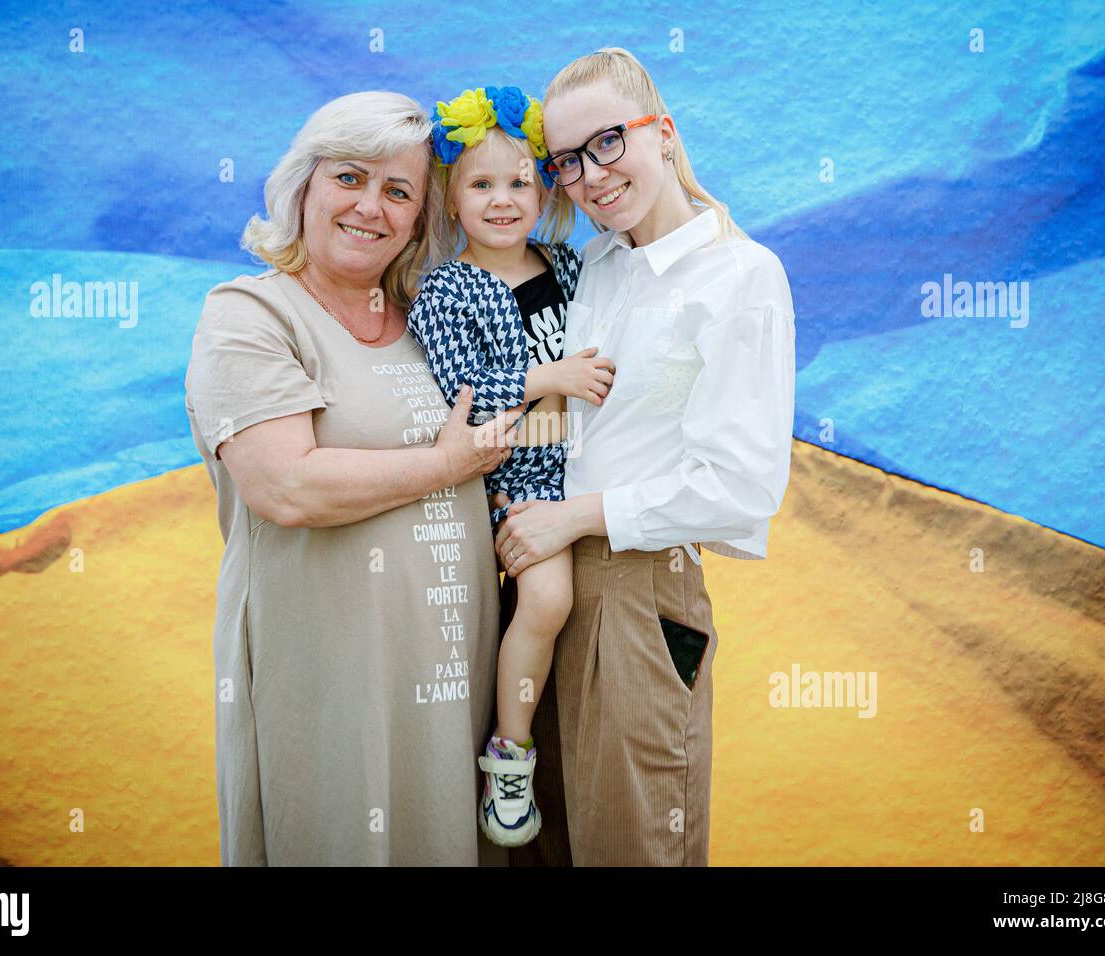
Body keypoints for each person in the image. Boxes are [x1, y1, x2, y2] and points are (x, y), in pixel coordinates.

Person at [184, 90, 524, 866]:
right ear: (303, 185)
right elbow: (287, 487)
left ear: (418, 218)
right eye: (349, 178)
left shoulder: (429, 319)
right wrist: (447, 465)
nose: (371, 206)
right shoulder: (252, 315)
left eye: (398, 191)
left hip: (448, 683)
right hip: (327, 685)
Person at [495, 48, 798, 866]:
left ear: (661, 133)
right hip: (541, 591)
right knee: (545, 847)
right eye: (565, 162)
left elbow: (740, 485)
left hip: (638, 597)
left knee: (630, 848)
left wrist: (571, 518)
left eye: (607, 143)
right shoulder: (592, 265)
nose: (589, 176)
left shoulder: (740, 276)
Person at [406, 84, 615, 847]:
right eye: (481, 184)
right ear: (450, 199)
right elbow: (458, 399)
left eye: (519, 181)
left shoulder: (567, 265)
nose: (503, 199)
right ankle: (511, 752)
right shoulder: (447, 290)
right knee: (550, 599)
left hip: (588, 474)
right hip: (516, 483)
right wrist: (546, 379)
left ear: (544, 190)